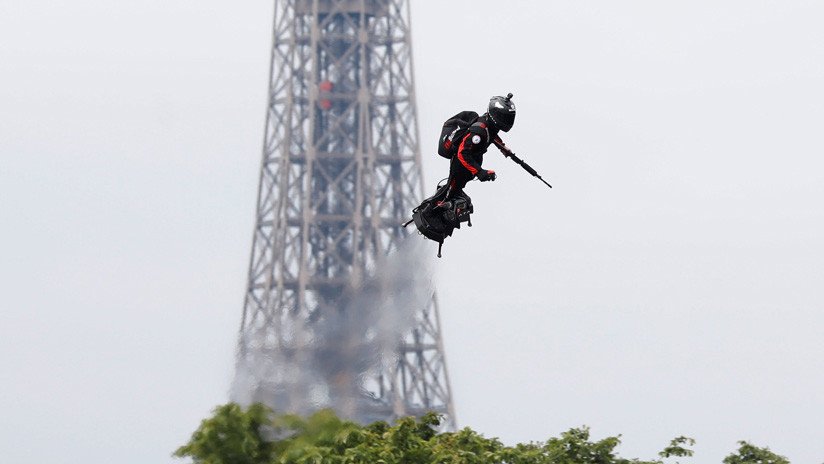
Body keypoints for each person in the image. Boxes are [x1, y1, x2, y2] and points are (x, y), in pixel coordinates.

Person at [443, 93, 516, 201]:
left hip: (471, 161)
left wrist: (503, 148)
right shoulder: (478, 132)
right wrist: (480, 172)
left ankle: (452, 197)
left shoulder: (489, 125)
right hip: (460, 164)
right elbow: (462, 153)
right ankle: (430, 211)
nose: (506, 120)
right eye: (504, 117)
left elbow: (492, 136)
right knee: (449, 194)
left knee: (459, 194)